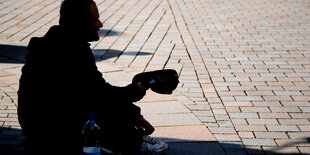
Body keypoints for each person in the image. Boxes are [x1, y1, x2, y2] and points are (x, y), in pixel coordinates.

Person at [17, 0, 168, 154]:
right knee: (102, 112)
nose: (100, 24)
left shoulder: (57, 44)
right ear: (80, 22)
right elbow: (99, 95)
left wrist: (133, 113)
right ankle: (133, 142)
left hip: (37, 127)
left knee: (100, 102)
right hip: (55, 131)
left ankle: (130, 139)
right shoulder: (71, 52)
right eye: (95, 19)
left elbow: (94, 90)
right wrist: (134, 92)